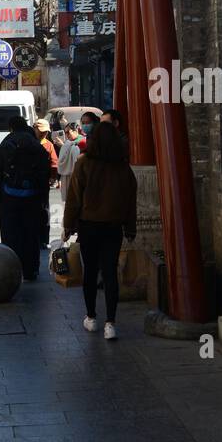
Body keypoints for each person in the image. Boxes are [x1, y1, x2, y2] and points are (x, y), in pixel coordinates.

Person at [62, 120, 137, 341]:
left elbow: (74, 198)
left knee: (90, 272)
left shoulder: (84, 164)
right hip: (113, 226)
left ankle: (91, 317)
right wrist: (130, 226)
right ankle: (111, 323)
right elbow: (130, 200)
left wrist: (68, 225)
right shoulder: (123, 168)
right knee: (110, 272)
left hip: (89, 225)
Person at [0, 116, 51, 281]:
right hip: (32, 198)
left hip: (9, 198)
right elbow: (45, 174)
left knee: (11, 235)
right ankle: (31, 270)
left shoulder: (5, 144)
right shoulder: (36, 146)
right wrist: (42, 197)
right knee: (31, 235)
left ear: (11, 127)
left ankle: (13, 269)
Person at [33, 118, 60, 249]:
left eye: (45, 132)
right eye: (41, 131)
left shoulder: (48, 145)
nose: (43, 134)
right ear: (35, 129)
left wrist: (52, 177)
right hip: (30, 182)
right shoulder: (29, 142)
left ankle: (44, 240)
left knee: (44, 211)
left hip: (43, 183)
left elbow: (54, 163)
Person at [57, 122, 82, 197]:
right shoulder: (68, 143)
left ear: (76, 130)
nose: (66, 135)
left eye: (68, 132)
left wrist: (63, 146)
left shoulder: (82, 141)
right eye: (65, 133)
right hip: (69, 177)